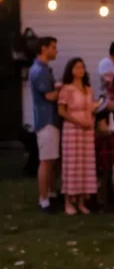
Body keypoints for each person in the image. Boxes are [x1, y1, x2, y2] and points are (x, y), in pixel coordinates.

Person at [57, 57, 98, 215]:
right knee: (72, 164)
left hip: (87, 130)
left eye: (82, 67)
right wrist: (78, 122)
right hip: (72, 130)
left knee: (85, 164)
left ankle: (81, 200)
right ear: (71, 70)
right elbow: (61, 111)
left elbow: (90, 107)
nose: (80, 70)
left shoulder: (88, 89)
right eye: (77, 68)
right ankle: (69, 200)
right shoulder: (67, 89)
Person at [28, 36, 61, 212]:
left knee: (52, 160)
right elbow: (50, 96)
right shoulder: (39, 71)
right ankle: (43, 200)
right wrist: (63, 89)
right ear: (44, 48)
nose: (56, 51)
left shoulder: (45, 69)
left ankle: (50, 194)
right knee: (46, 161)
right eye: (53, 47)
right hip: (46, 120)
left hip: (51, 120)